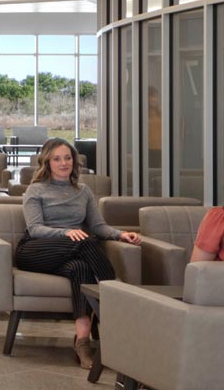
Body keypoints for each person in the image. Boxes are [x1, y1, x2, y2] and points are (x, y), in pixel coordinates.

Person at [13, 138, 140, 370]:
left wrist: (120, 234)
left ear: (75, 161)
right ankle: (117, 299)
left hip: (71, 252)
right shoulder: (35, 189)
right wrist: (67, 232)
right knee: (85, 241)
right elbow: (35, 228)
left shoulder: (83, 191)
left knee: (80, 269)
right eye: (57, 159)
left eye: (68, 158)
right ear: (47, 163)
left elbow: (98, 226)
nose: (64, 163)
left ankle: (82, 342)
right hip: (35, 250)